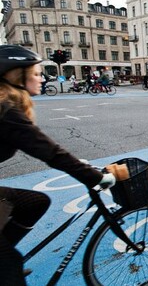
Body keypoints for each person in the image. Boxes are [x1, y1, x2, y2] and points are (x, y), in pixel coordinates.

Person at [0, 45, 115, 285]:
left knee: (36, 203)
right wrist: (96, 177)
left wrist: (78, 166)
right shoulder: (6, 110)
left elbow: (42, 147)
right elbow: (50, 153)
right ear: (17, 76)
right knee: (8, 262)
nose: (42, 79)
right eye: (36, 74)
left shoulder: (7, 106)